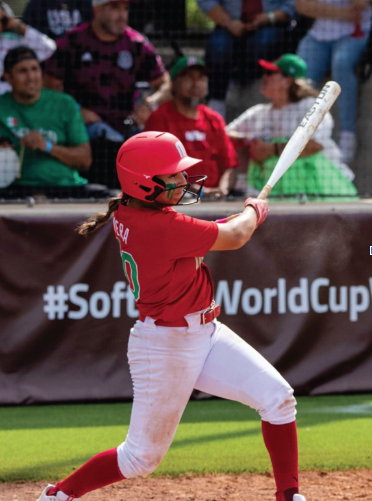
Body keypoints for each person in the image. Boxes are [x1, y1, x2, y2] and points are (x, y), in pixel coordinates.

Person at [36, 131, 308, 501]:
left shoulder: (142, 213)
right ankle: (58, 495)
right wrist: (253, 211)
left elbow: (215, 234)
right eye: (173, 175)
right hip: (165, 346)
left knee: (278, 398)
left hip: (206, 333)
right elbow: (236, 236)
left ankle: (289, 495)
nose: (183, 180)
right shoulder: (159, 226)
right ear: (144, 184)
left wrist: (243, 217)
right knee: (139, 458)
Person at [226, 53, 358, 199]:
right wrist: (249, 140)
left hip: (319, 186)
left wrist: (271, 149)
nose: (264, 77)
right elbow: (224, 134)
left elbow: (315, 145)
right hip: (276, 188)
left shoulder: (309, 106)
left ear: (287, 81)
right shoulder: (259, 112)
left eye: (270, 73)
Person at [43, 0, 171, 142]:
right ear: (97, 9)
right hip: (84, 131)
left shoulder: (137, 44)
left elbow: (166, 84)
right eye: (115, 8)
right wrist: (76, 111)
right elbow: (49, 88)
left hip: (127, 126)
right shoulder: (72, 42)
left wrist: (150, 104)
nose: (122, 15)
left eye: (125, 8)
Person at [0, 46, 97, 198]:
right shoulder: (2, 106)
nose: (31, 77)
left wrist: (47, 146)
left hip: (65, 187)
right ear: (7, 77)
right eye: (22, 71)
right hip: (16, 190)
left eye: (35, 69)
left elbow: (85, 160)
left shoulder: (65, 104)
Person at [143, 56, 238, 199]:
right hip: (174, 199)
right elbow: (156, 169)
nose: (196, 84)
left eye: (201, 78)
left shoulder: (214, 119)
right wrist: (198, 191)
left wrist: (222, 190)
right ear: (173, 84)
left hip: (214, 200)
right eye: (188, 78)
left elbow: (229, 165)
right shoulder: (159, 119)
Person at [295, 0, 371, 163]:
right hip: (318, 34)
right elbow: (302, 6)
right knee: (300, 78)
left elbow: (360, 3)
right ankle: (297, 138)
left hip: (355, 31)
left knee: (341, 64)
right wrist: (343, 14)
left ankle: (347, 136)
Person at [196, 0, 295, 119]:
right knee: (218, 48)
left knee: (263, 43)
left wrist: (269, 17)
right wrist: (229, 22)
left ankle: (240, 80)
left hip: (272, 24)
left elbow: (294, 4)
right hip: (229, 23)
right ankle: (216, 103)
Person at [0, 1, 56, 94]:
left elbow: (49, 48)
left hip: (13, 95)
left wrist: (20, 27)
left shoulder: (14, 41)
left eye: (1, 20)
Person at [22, 0, 93, 40]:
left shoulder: (86, 3)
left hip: (80, 53)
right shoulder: (36, 4)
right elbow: (29, 34)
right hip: (49, 55)